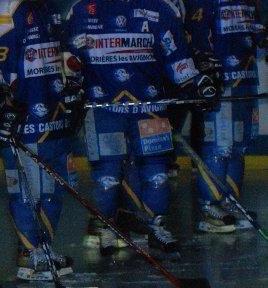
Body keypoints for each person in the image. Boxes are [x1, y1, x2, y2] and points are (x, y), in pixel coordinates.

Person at [65, 0, 219, 254]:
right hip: (103, 109)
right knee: (107, 178)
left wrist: (197, 84)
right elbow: (69, 58)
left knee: (157, 174)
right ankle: (106, 226)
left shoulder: (162, 8)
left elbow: (178, 58)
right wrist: (69, 86)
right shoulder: (82, 9)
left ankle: (156, 225)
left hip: (150, 107)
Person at [0, 0, 83, 280]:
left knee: (53, 192)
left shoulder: (49, 9)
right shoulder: (7, 8)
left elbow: (63, 55)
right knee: (28, 192)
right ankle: (29, 255)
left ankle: (44, 248)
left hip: (55, 116)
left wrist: (73, 84)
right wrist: (3, 104)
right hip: (26, 120)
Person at [185, 0, 264, 232]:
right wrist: (204, 71)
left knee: (239, 147)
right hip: (221, 82)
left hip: (247, 80)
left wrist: (262, 39)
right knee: (219, 148)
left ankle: (231, 203)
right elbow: (195, 34)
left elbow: (257, 31)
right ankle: (209, 206)